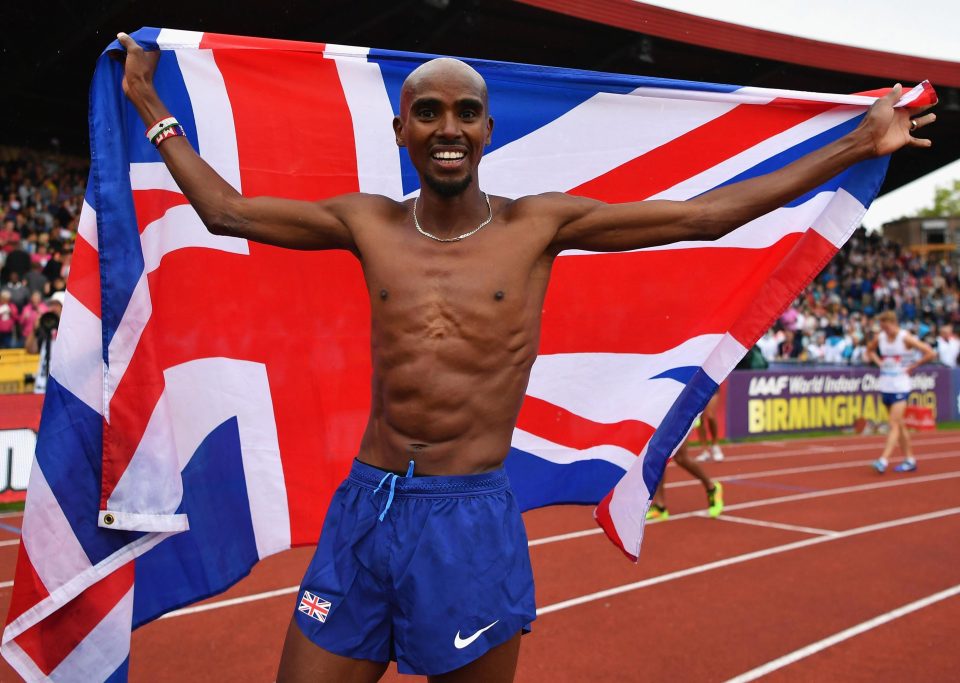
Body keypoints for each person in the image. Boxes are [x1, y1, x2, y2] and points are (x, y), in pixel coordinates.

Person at [116, 31, 934, 683]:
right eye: (428, 112)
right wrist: (150, 100)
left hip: (468, 518)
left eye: (464, 112)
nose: (447, 128)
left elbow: (707, 215)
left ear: (486, 129)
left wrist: (860, 143)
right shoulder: (366, 222)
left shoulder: (535, 226)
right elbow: (223, 212)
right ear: (400, 129)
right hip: (365, 510)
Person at [866, 310, 936, 473]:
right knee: (900, 425)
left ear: (892, 323)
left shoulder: (905, 337)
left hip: (901, 386)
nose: (884, 331)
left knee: (893, 423)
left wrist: (913, 366)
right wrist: (879, 362)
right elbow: (868, 350)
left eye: (886, 327)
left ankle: (883, 460)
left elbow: (930, 352)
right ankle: (910, 459)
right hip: (886, 385)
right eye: (882, 328)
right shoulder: (881, 337)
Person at [646, 429, 723, 521]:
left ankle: (712, 488)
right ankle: (660, 507)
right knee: (657, 458)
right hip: (659, 417)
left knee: (681, 458)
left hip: (678, 416)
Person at [694, 391, 724, 462]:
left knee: (710, 415)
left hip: (711, 387)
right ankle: (704, 451)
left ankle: (715, 445)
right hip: (696, 389)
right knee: (699, 419)